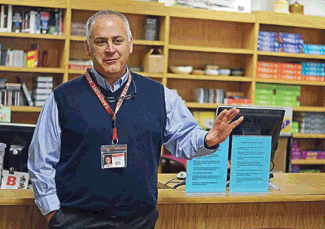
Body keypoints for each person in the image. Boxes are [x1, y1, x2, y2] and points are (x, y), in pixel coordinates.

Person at [27, 10, 244, 229]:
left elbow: (183, 140)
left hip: (139, 221)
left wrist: (208, 139)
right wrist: (54, 215)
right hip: (77, 221)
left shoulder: (160, 95)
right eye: (101, 41)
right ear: (87, 47)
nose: (110, 49)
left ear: (130, 44)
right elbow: (41, 162)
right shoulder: (61, 98)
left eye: (117, 40)